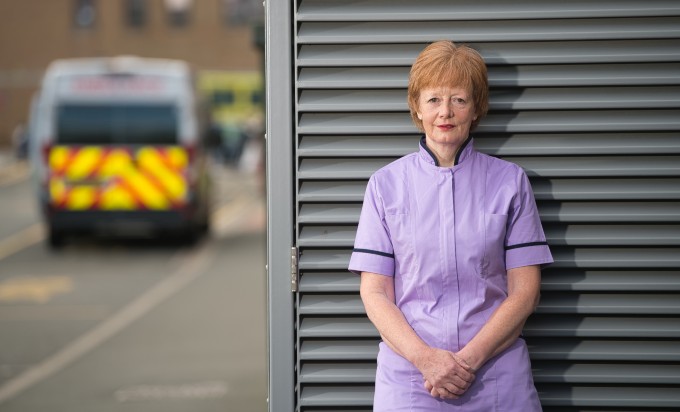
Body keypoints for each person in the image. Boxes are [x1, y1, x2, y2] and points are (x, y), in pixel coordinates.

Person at [348, 40, 553, 411]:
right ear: (416, 106)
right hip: (411, 379)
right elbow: (375, 293)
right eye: (433, 100)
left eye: (459, 99)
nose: (446, 112)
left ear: (476, 108)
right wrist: (427, 360)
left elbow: (526, 292)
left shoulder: (510, 182)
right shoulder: (385, 185)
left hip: (495, 376)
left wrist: (466, 362)